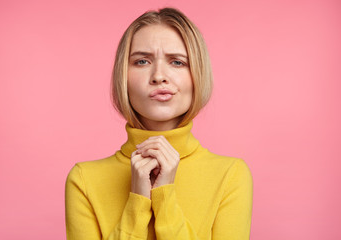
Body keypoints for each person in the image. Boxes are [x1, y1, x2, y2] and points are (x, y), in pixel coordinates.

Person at [65, 7, 253, 240]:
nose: (158, 76)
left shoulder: (231, 175)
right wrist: (137, 203)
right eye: (142, 61)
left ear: (198, 74)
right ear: (122, 75)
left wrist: (164, 199)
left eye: (177, 62)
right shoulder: (84, 179)